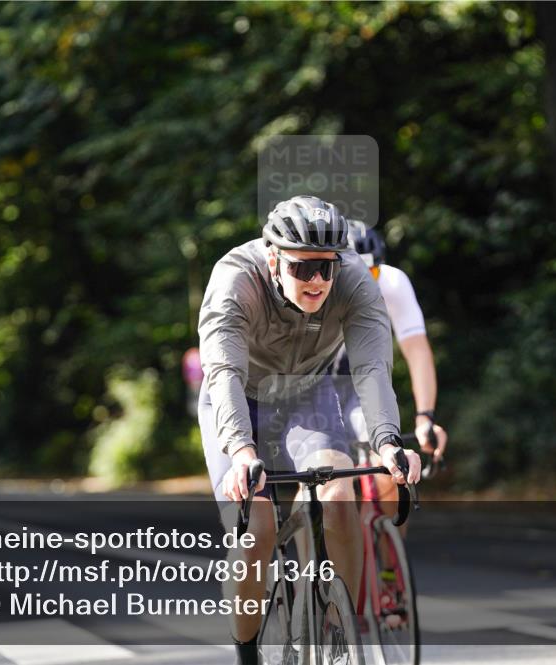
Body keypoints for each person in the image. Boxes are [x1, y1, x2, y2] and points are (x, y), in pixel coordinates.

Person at [197, 195, 421, 665]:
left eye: (327, 267)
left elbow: (373, 370)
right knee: (255, 529)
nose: (318, 280)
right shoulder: (235, 279)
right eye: (303, 269)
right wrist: (240, 451)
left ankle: (342, 635)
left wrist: (387, 441)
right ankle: (247, 653)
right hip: (238, 400)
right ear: (274, 258)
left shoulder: (356, 280)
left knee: (340, 499)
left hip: (307, 396)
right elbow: (224, 376)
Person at [339, 220, 448, 503]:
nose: (366, 282)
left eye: (372, 272)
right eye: (355, 273)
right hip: (322, 381)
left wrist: (426, 417)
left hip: (365, 385)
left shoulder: (392, 282)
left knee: (389, 477)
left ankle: (382, 529)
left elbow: (417, 351)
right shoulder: (319, 286)